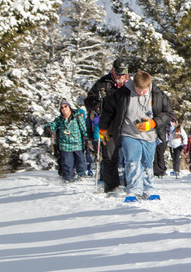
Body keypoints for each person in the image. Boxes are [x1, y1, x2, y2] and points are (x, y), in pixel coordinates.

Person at [98, 69, 174, 201]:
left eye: (144, 90)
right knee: (133, 161)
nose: (141, 93)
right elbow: (108, 111)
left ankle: (148, 188)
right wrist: (103, 128)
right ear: (134, 85)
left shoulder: (157, 94)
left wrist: (153, 123)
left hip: (150, 135)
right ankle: (134, 189)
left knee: (147, 163)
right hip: (129, 133)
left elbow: (168, 112)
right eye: (138, 90)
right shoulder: (122, 94)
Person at [85, 57, 130, 193]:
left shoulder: (131, 85)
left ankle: (131, 185)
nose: (121, 77)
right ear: (113, 71)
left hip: (127, 125)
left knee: (129, 157)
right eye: (118, 74)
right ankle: (111, 187)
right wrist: (96, 103)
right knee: (109, 157)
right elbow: (88, 101)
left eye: (124, 74)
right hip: (108, 126)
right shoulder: (102, 83)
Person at [45, 99, 90, 182]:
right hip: (65, 145)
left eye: (65, 106)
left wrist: (87, 140)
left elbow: (84, 129)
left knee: (80, 162)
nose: (64, 109)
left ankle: (82, 176)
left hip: (77, 144)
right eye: (62, 108)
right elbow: (53, 125)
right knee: (67, 163)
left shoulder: (77, 117)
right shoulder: (59, 119)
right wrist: (48, 128)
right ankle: (68, 178)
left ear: (69, 107)